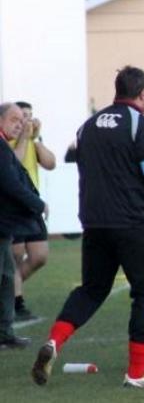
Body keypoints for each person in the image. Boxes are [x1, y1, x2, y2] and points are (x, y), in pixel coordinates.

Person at [31, 66, 144, 388]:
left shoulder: (88, 126)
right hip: (134, 223)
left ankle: (54, 341)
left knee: (91, 289)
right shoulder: (140, 124)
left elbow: (78, 164)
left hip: (95, 223)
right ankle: (136, 373)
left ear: (116, 90)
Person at [0, 102, 46, 350]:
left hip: (4, 227)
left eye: (22, 120)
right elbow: (10, 184)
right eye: (14, 119)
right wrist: (37, 204)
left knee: (7, 277)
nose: (20, 124)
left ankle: (5, 333)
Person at [9, 102, 55, 321]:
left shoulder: (32, 142)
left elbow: (50, 163)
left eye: (29, 117)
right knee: (15, 256)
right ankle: (16, 301)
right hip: (13, 207)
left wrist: (35, 139)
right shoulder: (7, 141)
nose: (26, 122)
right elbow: (13, 163)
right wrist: (24, 139)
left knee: (39, 256)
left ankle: (7, 294)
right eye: (21, 118)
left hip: (32, 204)